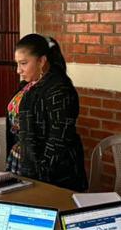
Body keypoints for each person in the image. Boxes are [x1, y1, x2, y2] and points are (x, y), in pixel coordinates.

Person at [6, 34, 87, 192]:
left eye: (23, 63)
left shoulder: (59, 90)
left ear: (42, 61)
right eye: (17, 64)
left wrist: (39, 178)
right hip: (23, 163)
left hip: (52, 176)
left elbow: (58, 141)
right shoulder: (28, 85)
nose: (18, 70)